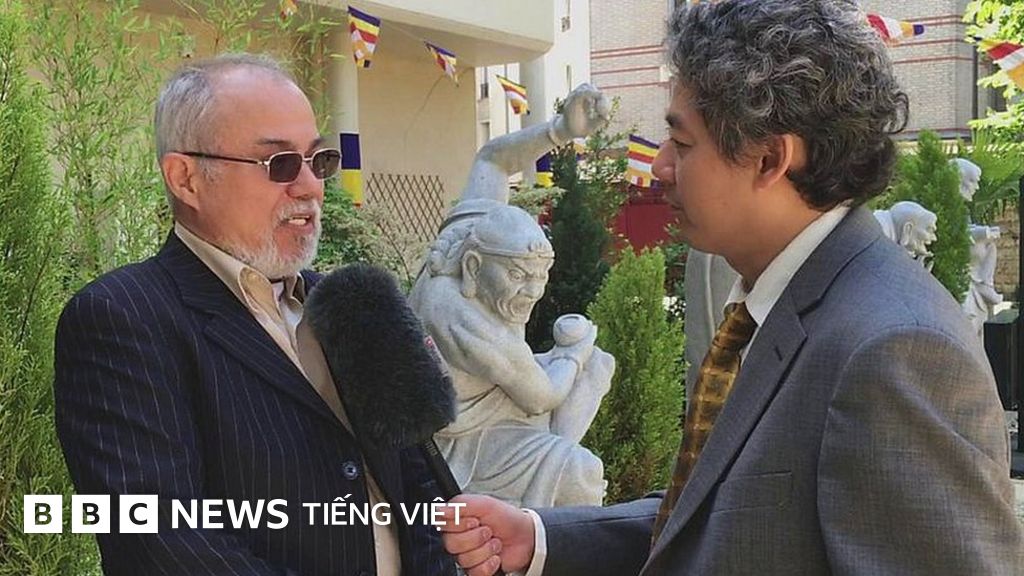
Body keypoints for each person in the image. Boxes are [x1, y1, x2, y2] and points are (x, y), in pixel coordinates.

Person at [438, 2, 1024, 575]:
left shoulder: (895, 350)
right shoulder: (780, 302)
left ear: (770, 159)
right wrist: (540, 536)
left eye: (682, 143)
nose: (660, 166)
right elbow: (726, 516)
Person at [54, 53, 454, 576]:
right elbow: (161, 541)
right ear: (186, 178)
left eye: (318, 161)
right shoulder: (121, 318)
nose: (310, 187)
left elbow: (423, 488)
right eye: (280, 164)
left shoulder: (348, 305)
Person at [408, 85, 615, 508]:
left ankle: (549, 460)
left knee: (600, 366)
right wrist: (571, 353)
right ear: (474, 267)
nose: (532, 292)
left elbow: (493, 161)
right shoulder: (456, 312)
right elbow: (541, 395)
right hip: (457, 449)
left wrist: (560, 130)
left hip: (500, 405)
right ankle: (546, 488)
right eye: (518, 276)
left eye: (540, 277)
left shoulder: (471, 236)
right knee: (583, 472)